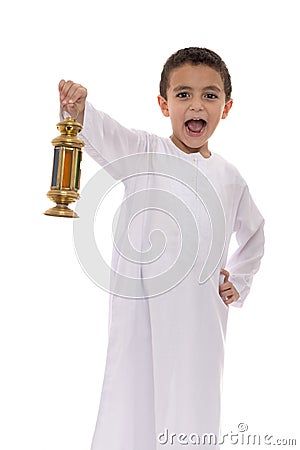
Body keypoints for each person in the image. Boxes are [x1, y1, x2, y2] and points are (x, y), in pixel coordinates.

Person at [59, 47, 265, 449]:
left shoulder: (230, 177)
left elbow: (255, 232)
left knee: (193, 408)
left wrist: (238, 280)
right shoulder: (145, 152)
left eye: (210, 95)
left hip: (201, 320)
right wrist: (78, 107)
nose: (197, 105)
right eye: (183, 94)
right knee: (133, 398)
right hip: (143, 311)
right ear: (163, 103)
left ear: (226, 107)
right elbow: (101, 130)